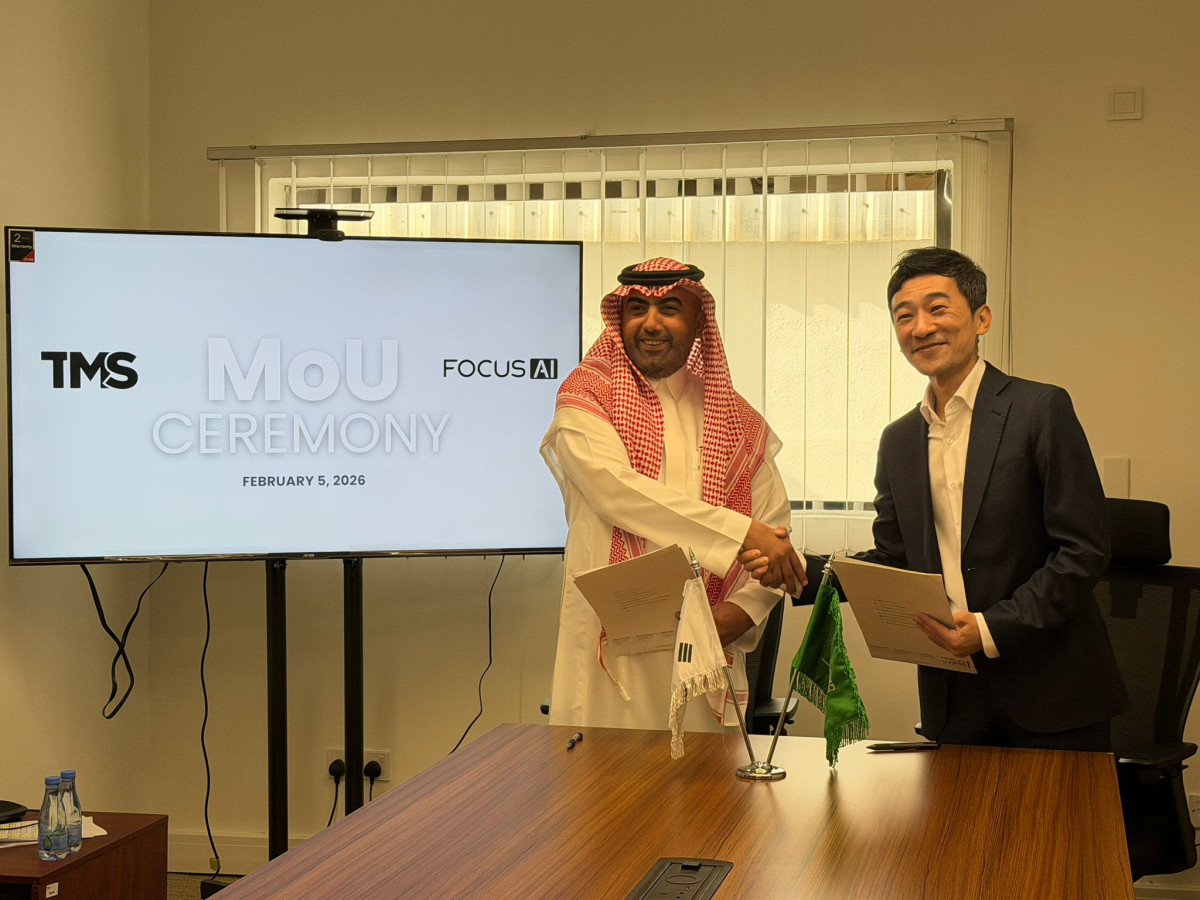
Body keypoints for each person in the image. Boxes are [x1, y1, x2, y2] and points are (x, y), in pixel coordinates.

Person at [746, 246, 1125, 751]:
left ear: (981, 318)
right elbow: (893, 560)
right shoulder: (899, 440)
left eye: (937, 308)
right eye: (904, 316)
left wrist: (989, 629)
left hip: (1053, 692)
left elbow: (1082, 551)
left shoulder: (1040, 409)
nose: (921, 327)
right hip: (953, 696)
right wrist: (800, 572)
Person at [541, 257, 806, 730]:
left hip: (706, 647)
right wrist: (742, 534)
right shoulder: (586, 398)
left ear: (698, 320)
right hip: (610, 651)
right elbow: (617, 492)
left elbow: (774, 535)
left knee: (703, 778)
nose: (651, 323)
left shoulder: (736, 418)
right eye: (637, 308)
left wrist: (742, 611)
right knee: (602, 775)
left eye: (669, 308)